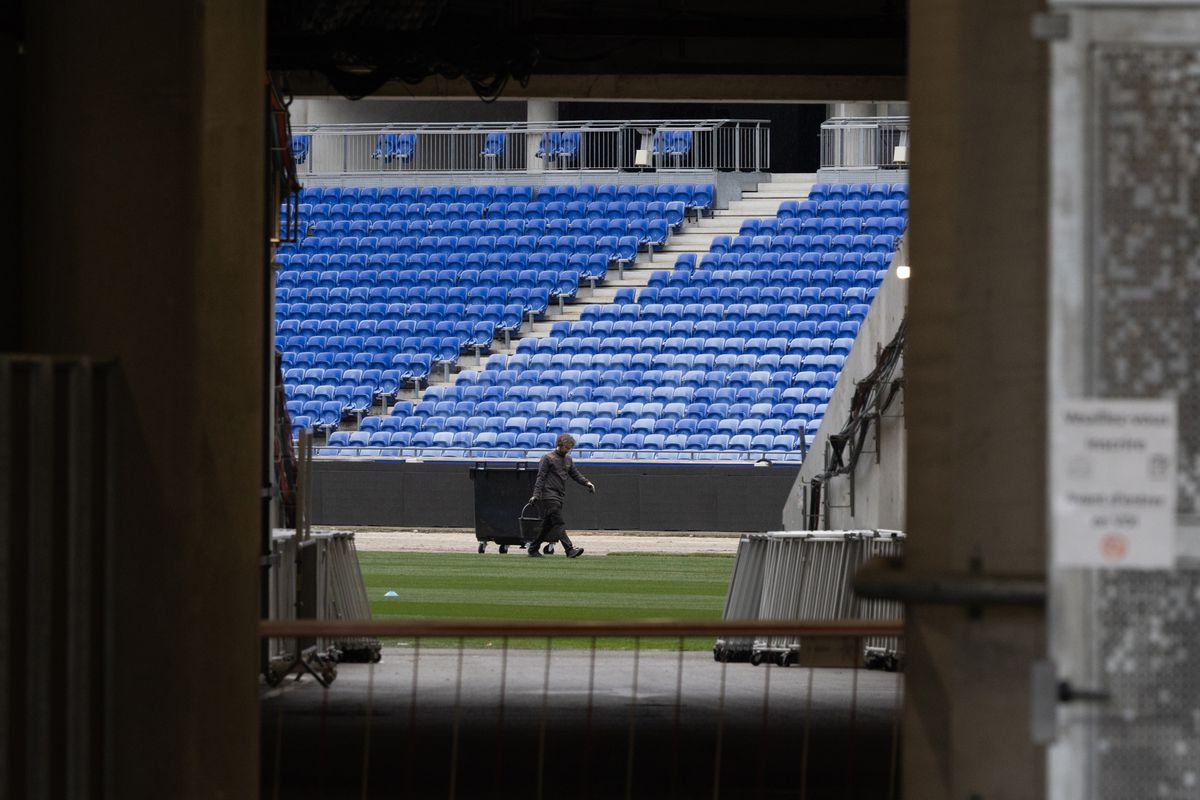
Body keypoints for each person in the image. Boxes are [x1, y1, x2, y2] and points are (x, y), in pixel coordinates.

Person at [527, 433, 595, 558]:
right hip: (548, 495)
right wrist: (536, 495)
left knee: (547, 526)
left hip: (559, 495)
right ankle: (569, 549)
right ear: (560, 445)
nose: (568, 450)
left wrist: (587, 483)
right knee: (559, 522)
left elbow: (575, 474)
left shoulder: (568, 459)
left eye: (570, 448)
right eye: (566, 447)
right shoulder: (547, 458)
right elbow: (540, 478)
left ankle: (533, 548)